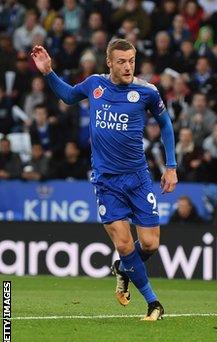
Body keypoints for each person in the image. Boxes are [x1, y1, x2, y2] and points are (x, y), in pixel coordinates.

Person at [31, 40, 177, 321]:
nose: (127, 66)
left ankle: (124, 268)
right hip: (106, 181)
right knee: (124, 244)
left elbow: (166, 124)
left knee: (149, 244)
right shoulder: (95, 84)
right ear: (109, 62)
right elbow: (69, 96)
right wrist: (48, 72)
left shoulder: (146, 92)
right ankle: (153, 302)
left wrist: (171, 166)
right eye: (121, 61)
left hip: (137, 178)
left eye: (131, 61)